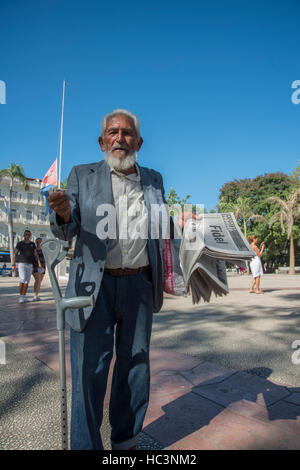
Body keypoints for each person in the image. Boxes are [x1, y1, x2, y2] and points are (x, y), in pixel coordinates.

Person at [48, 109, 196, 451]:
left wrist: (180, 222)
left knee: (135, 367)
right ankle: (86, 445)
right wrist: (64, 213)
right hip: (92, 289)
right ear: (102, 141)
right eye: (112, 132)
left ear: (139, 142)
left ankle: (125, 442)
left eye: (127, 133)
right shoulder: (81, 175)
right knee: (90, 372)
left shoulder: (154, 179)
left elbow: (158, 229)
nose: (119, 138)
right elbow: (67, 229)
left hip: (138, 286)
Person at [12, 230, 42, 303]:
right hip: (22, 264)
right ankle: (21, 296)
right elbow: (15, 254)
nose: (27, 236)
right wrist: (13, 264)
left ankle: (24, 296)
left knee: (27, 281)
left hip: (30, 264)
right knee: (23, 279)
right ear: (24, 235)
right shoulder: (20, 243)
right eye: (26, 234)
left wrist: (39, 263)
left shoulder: (32, 244)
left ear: (30, 236)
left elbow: (35, 254)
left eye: (29, 235)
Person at [32, 237, 46, 301]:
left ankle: (36, 295)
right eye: (37, 242)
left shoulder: (44, 250)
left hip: (43, 267)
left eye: (40, 242)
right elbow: (34, 257)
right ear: (36, 242)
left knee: (39, 282)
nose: (39, 243)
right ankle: (35, 296)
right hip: (36, 266)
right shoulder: (34, 249)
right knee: (38, 280)